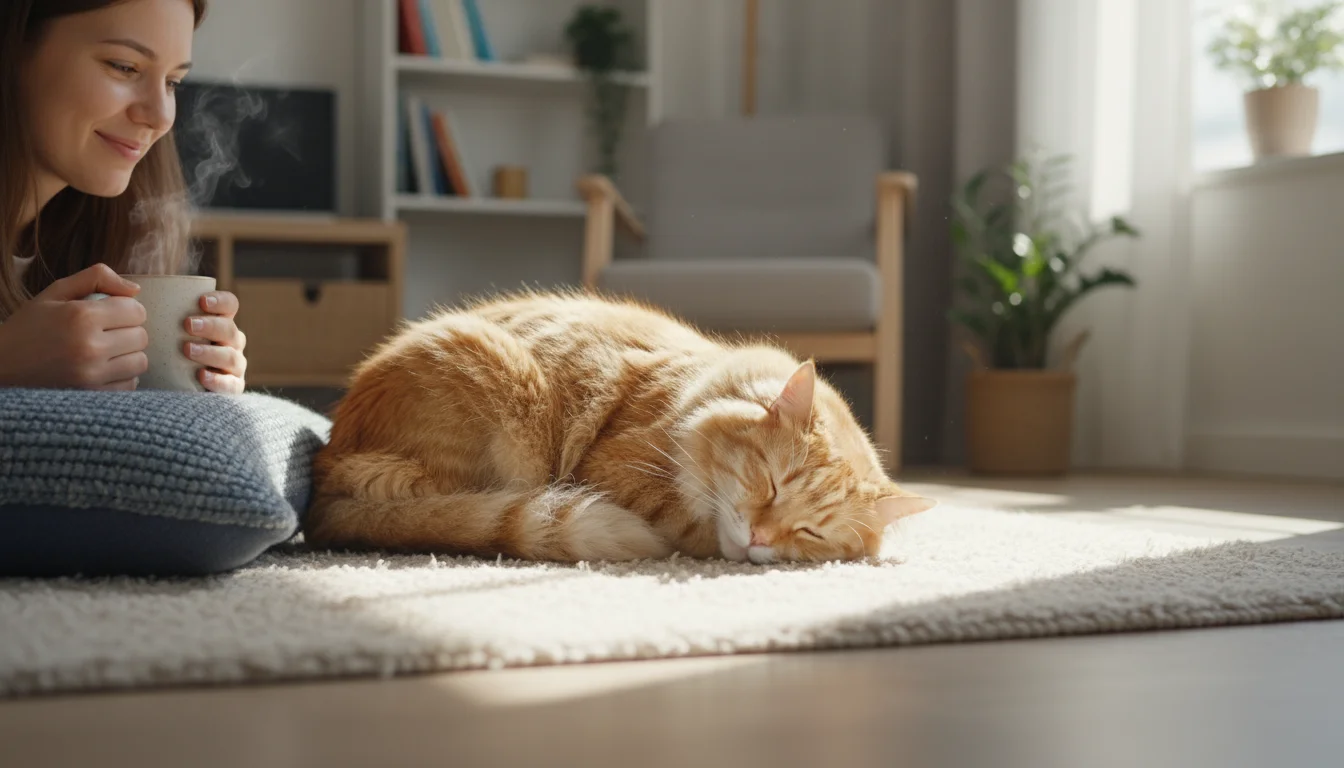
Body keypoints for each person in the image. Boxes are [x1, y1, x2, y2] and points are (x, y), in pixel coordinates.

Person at [0, 0, 246, 394]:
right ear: (13, 50)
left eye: (172, 83)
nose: (161, 116)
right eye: (125, 67)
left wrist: (207, 377)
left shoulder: (93, 239)